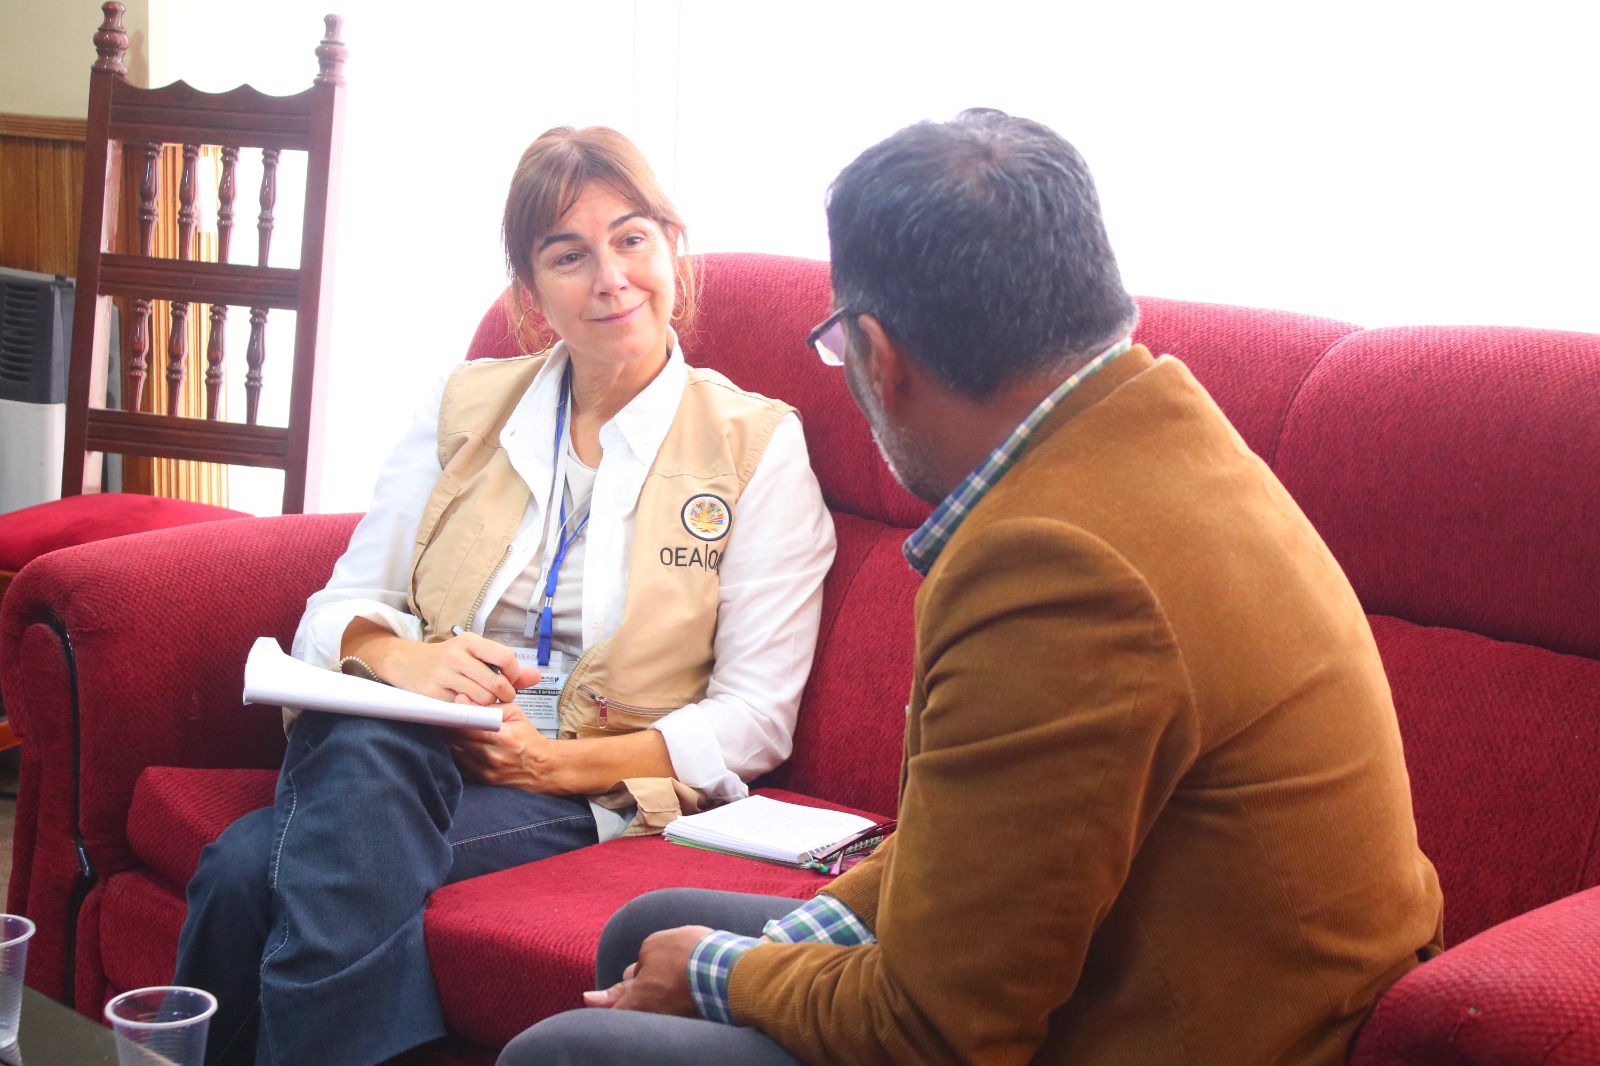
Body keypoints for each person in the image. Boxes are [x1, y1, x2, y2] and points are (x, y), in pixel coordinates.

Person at [499, 109, 1444, 1066]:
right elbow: (982, 850)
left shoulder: (1056, 571)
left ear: (879, 355)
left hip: (1188, 1035)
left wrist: (723, 974)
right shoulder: (1165, 428)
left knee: (566, 1052)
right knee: (648, 930)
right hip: (1172, 971)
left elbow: (935, 1033)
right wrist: (763, 950)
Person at [172, 125, 836, 1066]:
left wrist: (550, 765)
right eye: (570, 256)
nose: (611, 279)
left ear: (670, 249)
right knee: (365, 742)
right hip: (418, 745)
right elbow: (341, 607)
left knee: (248, 868)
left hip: (589, 781)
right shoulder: (463, 407)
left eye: (632, 240)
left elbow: (755, 718)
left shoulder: (755, 444)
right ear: (530, 292)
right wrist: (401, 659)